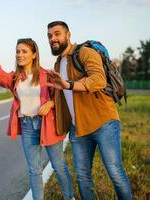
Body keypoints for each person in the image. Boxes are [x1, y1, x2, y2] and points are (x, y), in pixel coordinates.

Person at [0, 38, 74, 200]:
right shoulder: (16, 77)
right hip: (28, 125)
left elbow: (61, 97)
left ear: (34, 54)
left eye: (24, 51)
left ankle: (69, 197)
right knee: (34, 170)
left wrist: (50, 103)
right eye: (17, 51)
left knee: (59, 166)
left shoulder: (47, 75)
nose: (19, 55)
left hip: (48, 125)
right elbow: (1, 77)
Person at [46, 21, 132, 200]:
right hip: (78, 129)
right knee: (83, 176)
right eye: (49, 36)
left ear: (68, 35)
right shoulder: (57, 65)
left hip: (103, 123)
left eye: (57, 33)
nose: (53, 38)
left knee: (115, 172)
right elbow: (65, 97)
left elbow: (99, 80)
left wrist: (68, 85)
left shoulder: (84, 52)